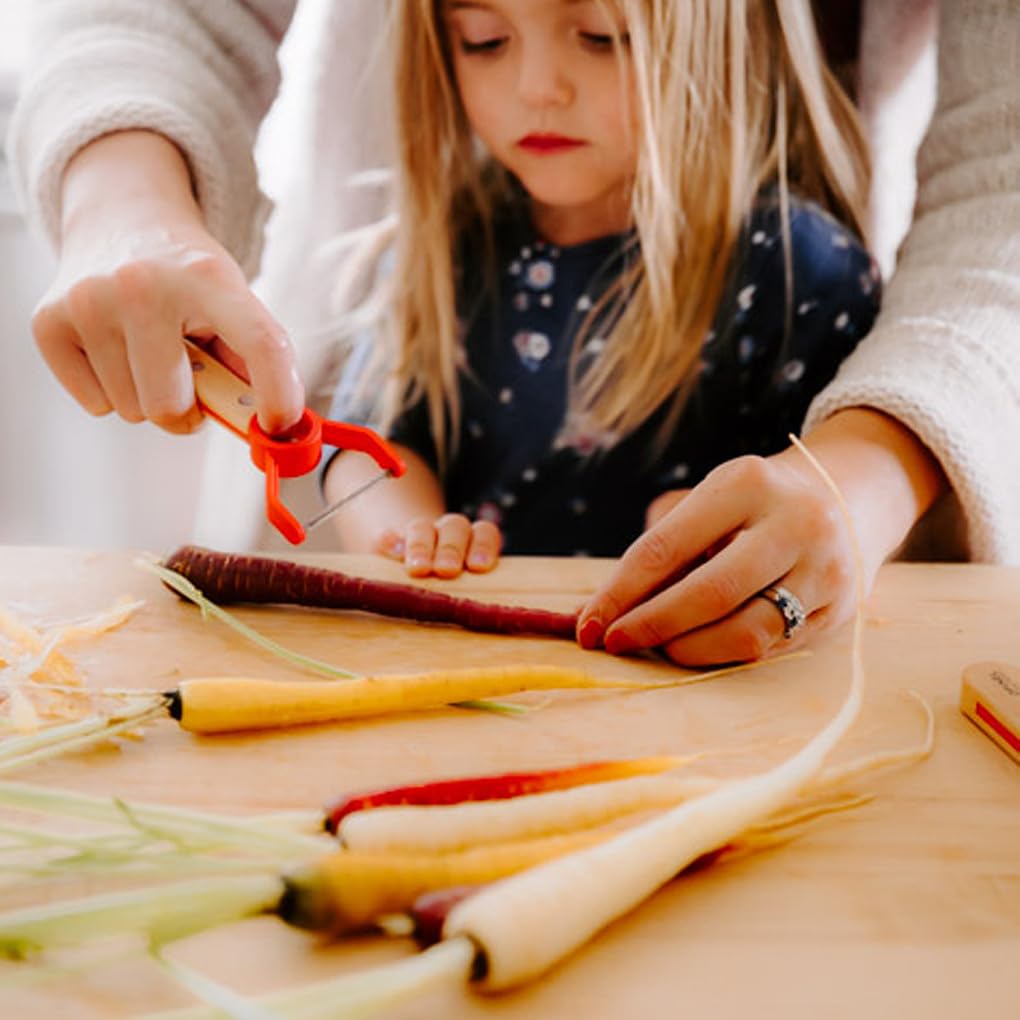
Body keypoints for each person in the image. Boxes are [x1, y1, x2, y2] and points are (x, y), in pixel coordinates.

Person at [7, 2, 1020, 669]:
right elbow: (372, 444)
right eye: (485, 39)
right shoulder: (441, 256)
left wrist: (751, 537)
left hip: (703, 708)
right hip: (469, 685)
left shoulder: (801, 266)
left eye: (599, 36)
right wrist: (403, 539)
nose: (538, 85)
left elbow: (830, 495)